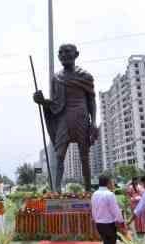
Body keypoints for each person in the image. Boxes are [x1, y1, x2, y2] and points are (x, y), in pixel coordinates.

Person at [33, 43, 98, 192]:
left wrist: (93, 122)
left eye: (67, 51)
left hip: (81, 116)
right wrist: (42, 101)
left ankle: (88, 190)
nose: (63, 55)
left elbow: (91, 100)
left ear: (76, 54)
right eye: (60, 52)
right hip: (63, 117)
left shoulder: (85, 76)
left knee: (84, 155)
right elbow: (56, 103)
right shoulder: (56, 78)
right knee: (59, 154)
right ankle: (56, 190)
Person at [92, 176, 126, 244]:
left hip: (99, 224)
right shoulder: (109, 194)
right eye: (111, 182)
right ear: (108, 183)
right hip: (108, 225)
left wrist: (96, 221)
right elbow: (116, 211)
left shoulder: (94, 194)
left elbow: (93, 210)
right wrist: (121, 223)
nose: (113, 184)